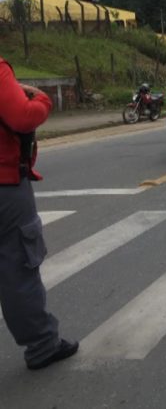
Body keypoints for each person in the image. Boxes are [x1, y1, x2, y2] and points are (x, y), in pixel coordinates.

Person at [0, 57, 79, 370]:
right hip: (5, 187)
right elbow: (22, 117)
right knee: (18, 268)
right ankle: (42, 345)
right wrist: (42, 99)